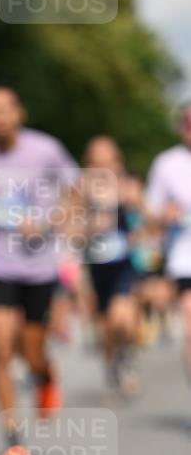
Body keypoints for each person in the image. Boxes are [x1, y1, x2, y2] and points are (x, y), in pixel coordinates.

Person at [0, 86, 78, 455]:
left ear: (19, 113)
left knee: (31, 350)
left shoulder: (46, 150)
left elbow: (75, 194)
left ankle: (44, 373)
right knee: (2, 349)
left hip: (39, 269)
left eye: (6, 109)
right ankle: (13, 441)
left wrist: (47, 222)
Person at [80, 136, 142, 396]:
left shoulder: (127, 186)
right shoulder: (81, 188)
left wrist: (132, 204)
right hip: (96, 266)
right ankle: (113, 362)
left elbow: (145, 219)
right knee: (106, 326)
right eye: (97, 161)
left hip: (123, 263)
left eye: (109, 160)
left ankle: (125, 356)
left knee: (124, 321)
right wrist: (92, 225)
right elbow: (71, 227)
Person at [145, 103, 191, 396]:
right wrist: (164, 215)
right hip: (185, 259)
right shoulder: (166, 163)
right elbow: (149, 211)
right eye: (188, 123)